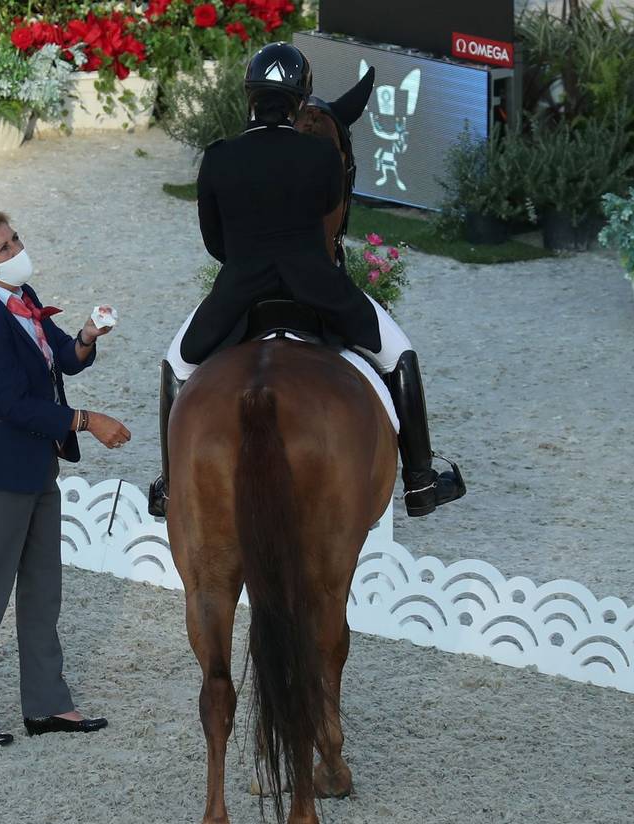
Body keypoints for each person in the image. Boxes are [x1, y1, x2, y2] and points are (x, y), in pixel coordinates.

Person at [148, 42, 465, 520]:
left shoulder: (218, 158)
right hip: (316, 284)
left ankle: (171, 488)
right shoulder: (321, 157)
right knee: (399, 355)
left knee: (177, 366)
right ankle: (420, 480)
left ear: (249, 96)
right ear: (301, 101)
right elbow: (327, 218)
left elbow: (216, 244)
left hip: (239, 290)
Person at [0, 207, 131, 747]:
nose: (17, 250)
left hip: (37, 464)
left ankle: (47, 705)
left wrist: (89, 336)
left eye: (14, 238)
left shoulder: (22, 297)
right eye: (4, 248)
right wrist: (88, 421)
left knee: (44, 590)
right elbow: (12, 404)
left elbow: (63, 360)